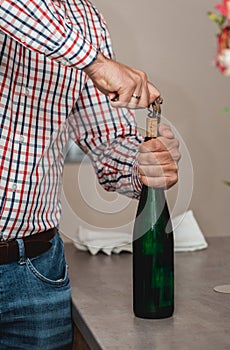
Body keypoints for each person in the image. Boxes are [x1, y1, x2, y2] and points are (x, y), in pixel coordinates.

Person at [0, 0, 180, 349]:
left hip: (35, 274)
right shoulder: (83, 48)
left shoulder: (85, 20)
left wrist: (142, 164)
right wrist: (94, 62)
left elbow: (108, 138)